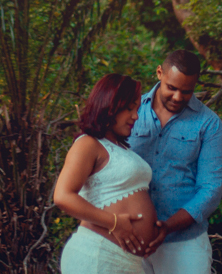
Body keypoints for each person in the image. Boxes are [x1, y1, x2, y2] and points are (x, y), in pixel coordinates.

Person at [128, 50, 222, 274]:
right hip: (130, 239)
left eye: (186, 91)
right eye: (171, 88)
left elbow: (210, 190)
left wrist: (168, 226)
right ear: (159, 73)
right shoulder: (129, 111)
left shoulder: (209, 124)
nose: (177, 97)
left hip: (184, 244)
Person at [54, 74, 159, 273]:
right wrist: (114, 222)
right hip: (97, 254)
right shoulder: (88, 143)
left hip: (126, 262)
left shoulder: (122, 149)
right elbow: (62, 196)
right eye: (129, 108)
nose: (135, 116)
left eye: (136, 109)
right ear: (109, 105)